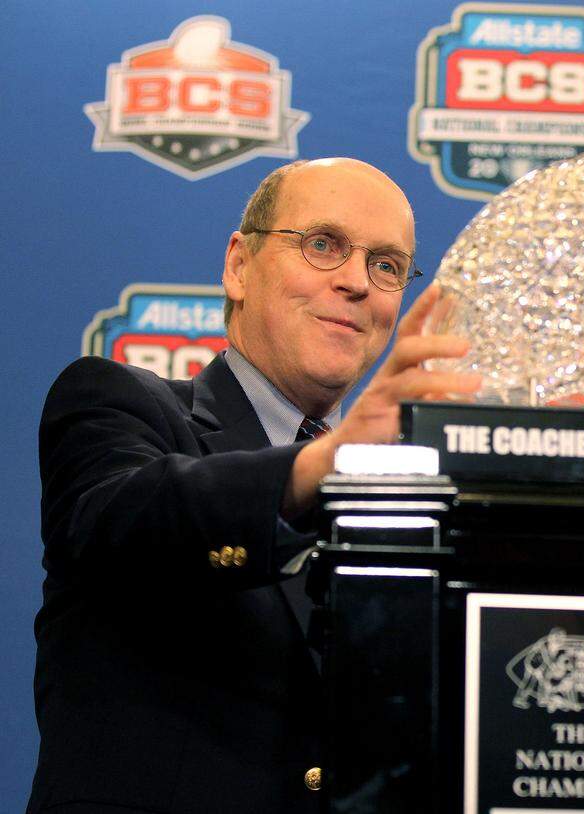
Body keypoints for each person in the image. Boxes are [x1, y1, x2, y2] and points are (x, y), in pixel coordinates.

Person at [29, 158, 480, 813]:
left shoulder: (410, 493)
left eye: (385, 264)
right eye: (324, 245)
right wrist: (328, 460)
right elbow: (120, 522)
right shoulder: (118, 400)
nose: (356, 281)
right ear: (240, 265)